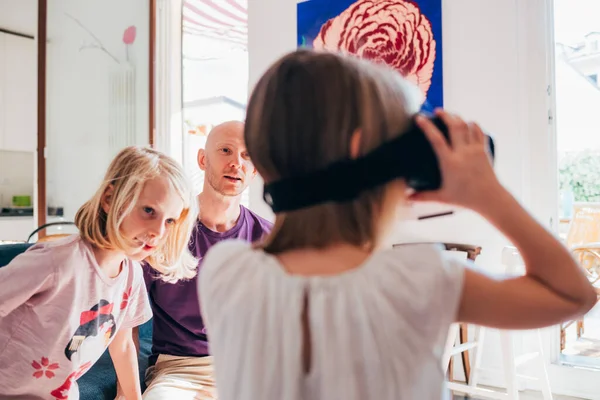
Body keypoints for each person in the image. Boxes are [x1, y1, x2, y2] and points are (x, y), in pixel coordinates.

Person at [198, 50, 598, 400]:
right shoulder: (418, 278)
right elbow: (574, 295)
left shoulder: (225, 271)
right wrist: (486, 192)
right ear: (363, 152)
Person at [0, 146, 197, 400]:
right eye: (149, 211)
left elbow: (123, 345)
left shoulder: (131, 275)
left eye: (170, 220)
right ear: (109, 199)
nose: (159, 231)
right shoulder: (58, 261)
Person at [141, 121, 273, 399]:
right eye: (226, 150)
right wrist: (124, 390)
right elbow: (125, 310)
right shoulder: (164, 229)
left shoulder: (270, 238)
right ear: (203, 159)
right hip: (179, 370)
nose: (236, 163)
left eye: (247, 155)